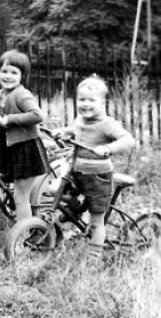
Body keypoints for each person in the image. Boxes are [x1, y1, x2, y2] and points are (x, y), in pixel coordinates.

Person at [53, 75, 135, 262]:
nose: (86, 104)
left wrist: (108, 148)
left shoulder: (107, 124)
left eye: (92, 100)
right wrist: (64, 132)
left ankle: (93, 258)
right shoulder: (80, 119)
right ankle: (76, 209)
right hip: (77, 172)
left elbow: (128, 140)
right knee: (53, 190)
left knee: (97, 221)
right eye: (82, 99)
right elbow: (76, 131)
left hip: (99, 177)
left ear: (103, 102)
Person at [0, 49, 50, 223]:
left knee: (21, 196)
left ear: (22, 76)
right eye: (4, 71)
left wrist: (10, 119)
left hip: (25, 149)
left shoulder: (21, 94)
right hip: (10, 148)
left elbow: (37, 115)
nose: (8, 76)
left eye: (14, 72)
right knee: (13, 190)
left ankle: (23, 235)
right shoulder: (1, 94)